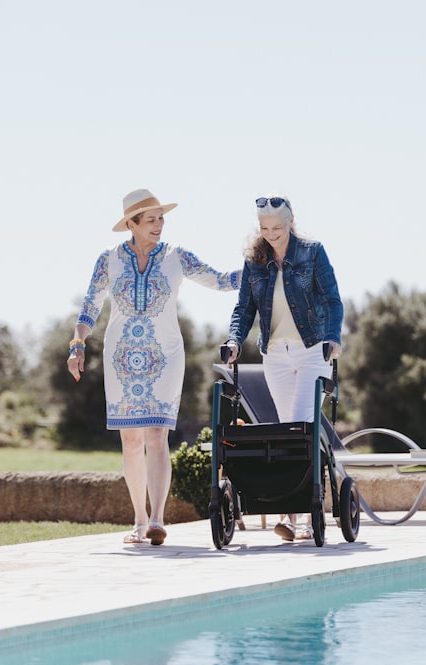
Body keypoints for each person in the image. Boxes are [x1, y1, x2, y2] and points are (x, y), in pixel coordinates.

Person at [67, 188, 240, 546]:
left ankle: (158, 520)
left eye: (161, 218)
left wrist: (259, 269)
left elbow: (221, 280)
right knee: (130, 441)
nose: (159, 225)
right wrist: (77, 343)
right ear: (131, 223)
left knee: (157, 436)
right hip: (121, 358)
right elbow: (89, 307)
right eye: (151, 219)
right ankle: (138, 520)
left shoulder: (178, 257)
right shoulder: (108, 260)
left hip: (166, 357)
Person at [226, 195, 343, 541]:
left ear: (291, 221)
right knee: (283, 430)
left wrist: (333, 338)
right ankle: (290, 517)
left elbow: (332, 299)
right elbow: (244, 309)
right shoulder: (255, 261)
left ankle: (307, 516)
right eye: (265, 228)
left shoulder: (312, 252)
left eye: (277, 227)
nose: (272, 234)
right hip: (275, 354)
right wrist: (234, 340)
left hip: (312, 351)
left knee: (299, 427)